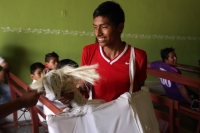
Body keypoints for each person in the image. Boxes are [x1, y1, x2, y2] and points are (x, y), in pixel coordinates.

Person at [81, 1, 147, 102]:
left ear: (120, 27)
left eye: (104, 27)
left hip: (125, 115)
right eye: (95, 27)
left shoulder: (138, 56)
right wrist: (70, 92)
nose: (98, 33)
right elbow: (84, 87)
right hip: (96, 114)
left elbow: (139, 91)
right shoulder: (88, 51)